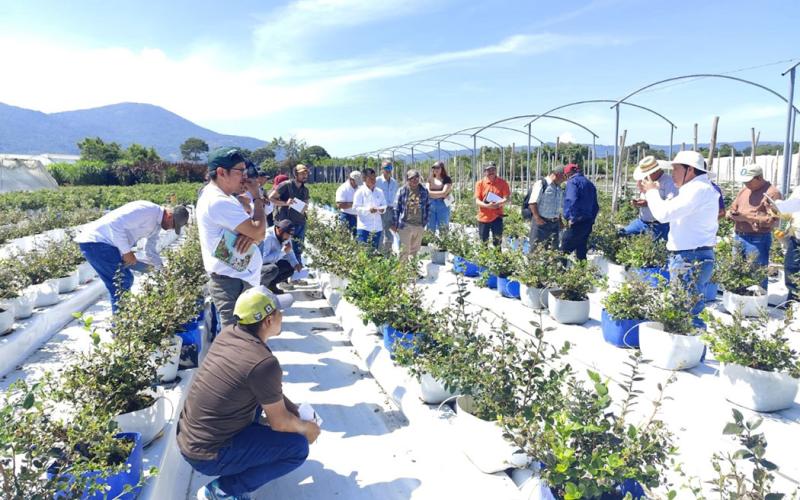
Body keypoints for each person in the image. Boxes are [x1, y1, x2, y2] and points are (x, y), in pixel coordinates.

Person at [178, 286, 319, 500]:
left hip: (190, 439)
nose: (282, 316)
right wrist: (306, 428)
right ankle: (222, 491)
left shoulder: (230, 334)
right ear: (268, 321)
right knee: (297, 447)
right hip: (208, 454)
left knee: (275, 416)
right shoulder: (263, 363)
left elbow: (265, 391)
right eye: (279, 312)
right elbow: (280, 423)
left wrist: (295, 409)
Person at [639, 150, 719, 314]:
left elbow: (664, 215)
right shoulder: (699, 188)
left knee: (685, 311)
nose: (672, 173)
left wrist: (651, 192)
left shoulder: (696, 190)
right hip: (694, 255)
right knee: (688, 308)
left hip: (690, 257)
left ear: (689, 170)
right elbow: (671, 210)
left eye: (675, 169)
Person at [197, 147, 268, 327]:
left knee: (240, 335)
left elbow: (254, 231)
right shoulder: (219, 201)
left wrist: (251, 236)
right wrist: (257, 198)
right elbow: (259, 231)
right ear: (221, 172)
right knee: (236, 339)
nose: (244, 177)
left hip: (236, 278)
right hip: (232, 282)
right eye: (240, 171)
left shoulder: (222, 197)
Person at [75, 201, 189, 312]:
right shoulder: (147, 210)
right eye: (173, 226)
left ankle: (122, 323)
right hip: (96, 242)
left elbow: (150, 250)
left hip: (107, 245)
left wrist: (161, 271)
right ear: (169, 216)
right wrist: (127, 252)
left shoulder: (157, 225)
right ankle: (120, 326)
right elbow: (115, 225)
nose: (171, 229)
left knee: (123, 281)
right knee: (122, 282)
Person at [728, 164, 781, 289]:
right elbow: (733, 207)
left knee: (756, 274)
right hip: (739, 236)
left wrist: (746, 218)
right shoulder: (744, 191)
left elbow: (774, 220)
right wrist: (731, 214)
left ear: (759, 178)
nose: (746, 184)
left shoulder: (772, 193)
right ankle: (740, 304)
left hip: (757, 238)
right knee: (736, 272)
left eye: (748, 181)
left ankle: (757, 304)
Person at [621, 156, 678, 241]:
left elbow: (671, 205)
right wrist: (638, 202)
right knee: (622, 233)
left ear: (655, 171)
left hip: (660, 225)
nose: (645, 176)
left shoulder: (669, 182)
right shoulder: (646, 181)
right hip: (642, 221)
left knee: (656, 248)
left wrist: (647, 203)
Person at [269, 165, 310, 263]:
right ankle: (283, 275)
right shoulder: (286, 185)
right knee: (284, 250)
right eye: (302, 173)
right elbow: (271, 198)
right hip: (285, 224)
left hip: (300, 222)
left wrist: (304, 206)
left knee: (298, 249)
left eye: (306, 173)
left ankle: (296, 275)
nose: (305, 175)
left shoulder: (305, 190)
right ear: (295, 174)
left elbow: (306, 205)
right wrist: (285, 203)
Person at [561, 163, 599, 260]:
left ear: (568, 174)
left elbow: (571, 200)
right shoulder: (590, 184)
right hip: (588, 222)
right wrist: (592, 220)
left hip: (577, 221)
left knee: (563, 251)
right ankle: (582, 273)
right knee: (581, 250)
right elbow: (595, 206)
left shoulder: (573, 182)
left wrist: (571, 218)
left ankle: (560, 272)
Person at [392, 169, 430, 261]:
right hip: (406, 225)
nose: (415, 180)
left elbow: (428, 206)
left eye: (416, 177)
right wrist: (395, 224)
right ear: (407, 180)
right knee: (404, 250)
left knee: (415, 251)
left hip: (419, 225)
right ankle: (402, 272)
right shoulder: (402, 190)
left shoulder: (424, 190)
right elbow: (396, 208)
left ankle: (413, 270)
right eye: (412, 178)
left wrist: (424, 223)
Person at [527, 165, 565, 249]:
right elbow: (533, 202)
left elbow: (557, 206)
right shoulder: (542, 183)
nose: (565, 180)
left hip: (554, 224)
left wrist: (560, 221)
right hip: (541, 224)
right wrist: (537, 218)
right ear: (558, 174)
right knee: (536, 250)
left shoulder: (558, 187)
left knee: (553, 251)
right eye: (564, 177)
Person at [261, 220, 302, 294]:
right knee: (273, 269)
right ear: (279, 230)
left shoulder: (285, 235)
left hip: (272, 262)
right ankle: (261, 287)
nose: (289, 237)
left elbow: (289, 250)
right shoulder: (268, 237)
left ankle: (271, 285)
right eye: (288, 234)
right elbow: (263, 260)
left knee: (290, 268)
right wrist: (283, 252)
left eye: (290, 235)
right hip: (260, 267)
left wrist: (296, 263)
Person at [474, 162, 510, 246]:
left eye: (493, 169)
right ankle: (484, 259)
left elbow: (506, 198)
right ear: (485, 171)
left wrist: (498, 203)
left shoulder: (503, 183)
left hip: (497, 216)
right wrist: (487, 205)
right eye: (488, 170)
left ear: (496, 170)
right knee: (483, 243)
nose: (491, 172)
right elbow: (477, 200)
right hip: (483, 217)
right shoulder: (480, 183)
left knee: (497, 243)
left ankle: (498, 259)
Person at [352, 168, 387, 249]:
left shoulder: (379, 191)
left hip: (377, 228)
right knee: (364, 253)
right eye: (371, 178)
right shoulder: (360, 192)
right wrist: (368, 210)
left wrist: (382, 209)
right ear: (364, 179)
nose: (373, 180)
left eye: (374, 178)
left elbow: (384, 205)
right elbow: (355, 208)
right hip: (364, 228)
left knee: (374, 253)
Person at [376, 161, 399, 253]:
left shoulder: (394, 182)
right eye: (386, 168)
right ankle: (379, 253)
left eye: (390, 168)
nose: (388, 170)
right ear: (382, 169)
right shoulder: (377, 181)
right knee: (380, 232)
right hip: (380, 210)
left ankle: (388, 253)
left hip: (391, 210)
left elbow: (396, 197)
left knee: (390, 233)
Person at [426, 160, 453, 233]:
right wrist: (440, 194)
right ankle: (430, 242)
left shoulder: (447, 179)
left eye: (438, 168)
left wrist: (432, 194)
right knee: (430, 227)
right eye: (434, 168)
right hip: (431, 205)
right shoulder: (430, 179)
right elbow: (427, 192)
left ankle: (444, 244)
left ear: (442, 169)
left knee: (443, 226)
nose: (436, 169)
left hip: (443, 205)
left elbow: (444, 193)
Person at [335, 171, 361, 235]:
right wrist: (354, 204)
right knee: (345, 236)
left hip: (358, 216)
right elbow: (339, 205)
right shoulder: (342, 188)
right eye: (356, 181)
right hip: (346, 215)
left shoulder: (360, 187)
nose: (357, 183)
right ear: (350, 179)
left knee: (358, 237)